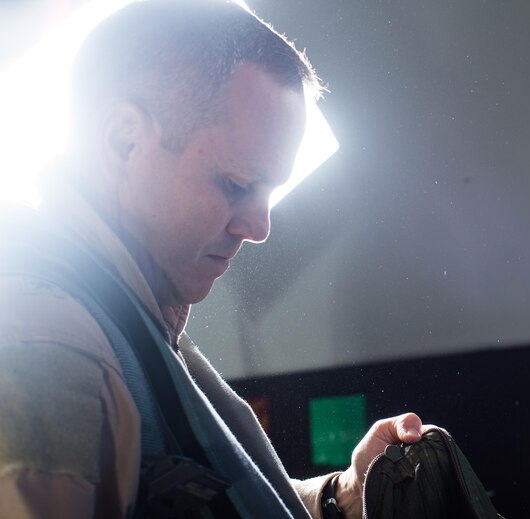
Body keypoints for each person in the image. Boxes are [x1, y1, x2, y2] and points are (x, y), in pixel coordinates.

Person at [0, 1, 430, 517]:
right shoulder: (48, 346)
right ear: (124, 141)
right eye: (237, 184)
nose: (259, 227)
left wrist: (345, 495)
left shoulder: (129, 320)